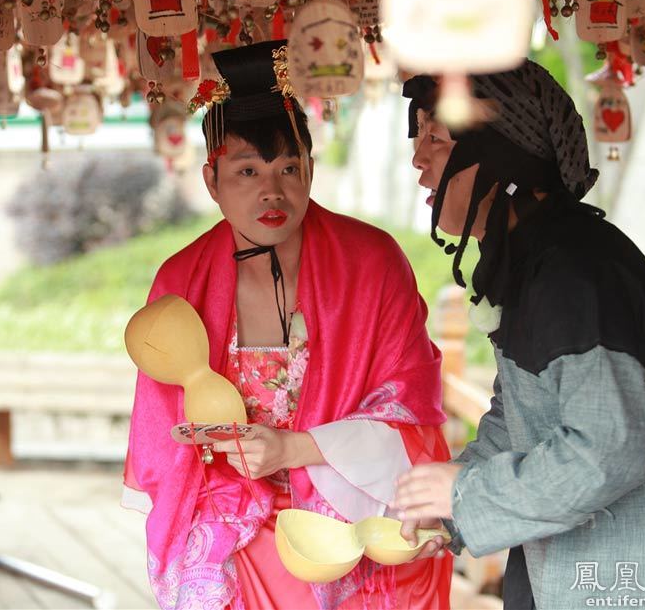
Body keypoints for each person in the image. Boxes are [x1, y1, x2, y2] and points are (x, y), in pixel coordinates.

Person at [121, 40, 453, 610]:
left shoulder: (373, 263)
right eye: (247, 170)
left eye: (288, 168)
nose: (272, 191)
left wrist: (295, 449)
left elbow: (409, 410)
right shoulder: (182, 280)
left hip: (344, 510)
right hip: (226, 516)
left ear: (311, 170)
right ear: (211, 179)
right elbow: (166, 432)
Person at [394, 62, 645, 609]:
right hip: (585, 555)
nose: (418, 159)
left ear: (501, 156)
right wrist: (453, 500)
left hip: (643, 566)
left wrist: (464, 494)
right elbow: (521, 415)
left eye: (437, 139)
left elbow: (607, 449)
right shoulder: (531, 258)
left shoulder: (576, 271)